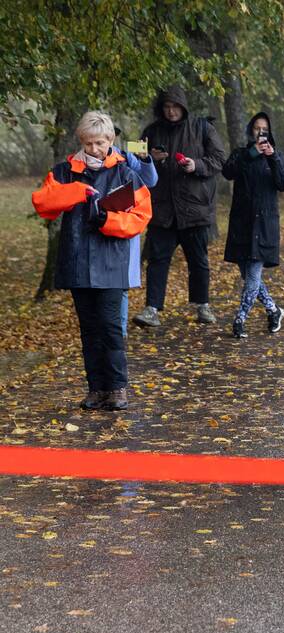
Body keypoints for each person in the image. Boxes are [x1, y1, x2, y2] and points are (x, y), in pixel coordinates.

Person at [31, 110, 152, 410]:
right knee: (89, 329)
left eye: (99, 142)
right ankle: (96, 389)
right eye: (88, 143)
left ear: (111, 139)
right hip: (77, 261)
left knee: (111, 327)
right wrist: (75, 191)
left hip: (112, 262)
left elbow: (141, 216)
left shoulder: (126, 172)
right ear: (81, 142)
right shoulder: (64, 171)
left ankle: (117, 388)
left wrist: (106, 219)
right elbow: (43, 203)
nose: (94, 149)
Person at [133, 86, 226, 328]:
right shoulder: (152, 131)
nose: (171, 111)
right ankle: (151, 309)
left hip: (194, 208)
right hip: (162, 209)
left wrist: (196, 165)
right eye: (166, 107)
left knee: (198, 260)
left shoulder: (202, 127)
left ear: (183, 107)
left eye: (175, 106)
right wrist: (149, 159)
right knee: (157, 260)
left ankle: (203, 305)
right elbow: (133, 156)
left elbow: (219, 159)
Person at [222, 112, 284, 338]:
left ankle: (240, 319)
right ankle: (273, 310)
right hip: (242, 224)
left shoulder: (277, 156)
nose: (261, 133)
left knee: (252, 276)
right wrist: (252, 153)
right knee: (250, 275)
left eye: (265, 130)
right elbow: (228, 171)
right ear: (250, 131)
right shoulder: (242, 154)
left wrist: (272, 158)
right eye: (257, 128)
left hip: (265, 225)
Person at [113, 139, 157, 336]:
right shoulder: (83, 161)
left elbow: (151, 180)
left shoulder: (125, 157)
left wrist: (145, 159)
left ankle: (119, 336)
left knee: (121, 286)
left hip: (124, 228)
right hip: (97, 231)